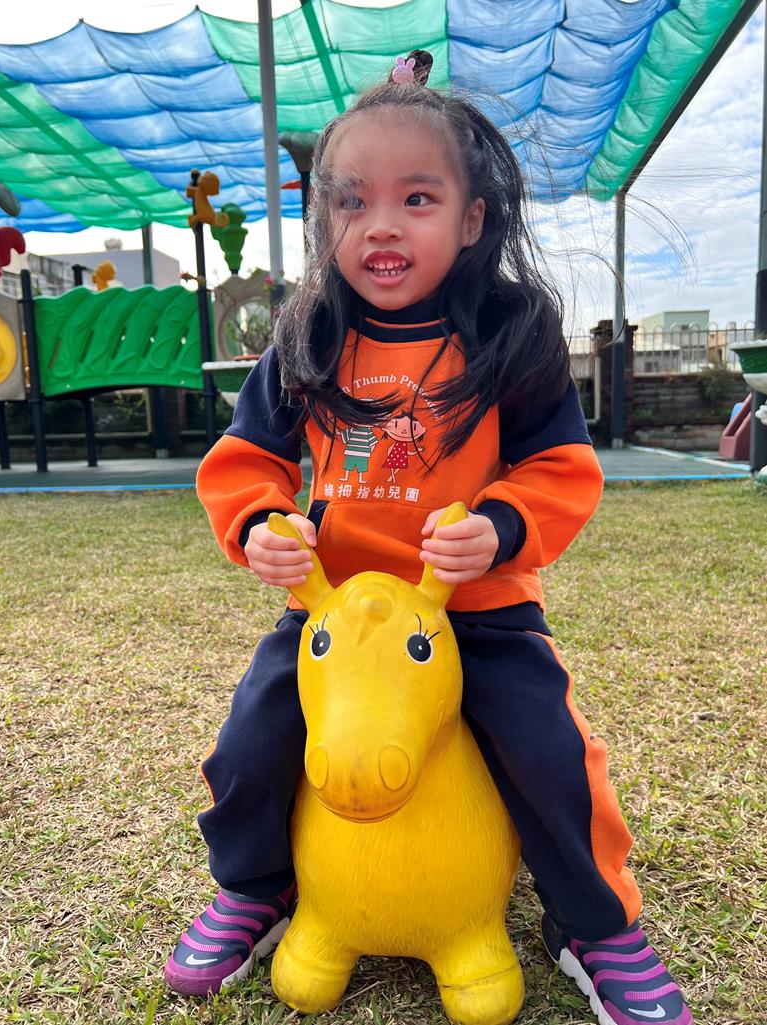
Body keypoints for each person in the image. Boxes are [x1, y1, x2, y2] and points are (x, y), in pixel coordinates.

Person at [165, 51, 694, 1025]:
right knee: (251, 740)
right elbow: (245, 458)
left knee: (549, 750)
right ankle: (256, 885)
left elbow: (561, 468)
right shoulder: (307, 335)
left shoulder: (509, 333)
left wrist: (498, 526)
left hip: (479, 611)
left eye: (416, 198)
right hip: (337, 618)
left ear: (472, 218)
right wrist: (259, 523)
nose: (381, 225)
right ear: (324, 220)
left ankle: (595, 925)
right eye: (352, 201)